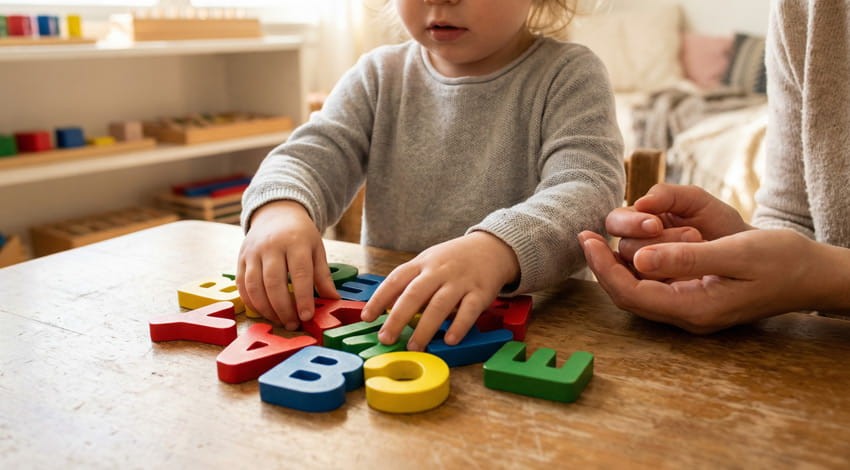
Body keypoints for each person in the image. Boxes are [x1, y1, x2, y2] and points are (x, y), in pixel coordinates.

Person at [237, 0, 625, 351]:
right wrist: (279, 209)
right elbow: (310, 156)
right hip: (387, 332)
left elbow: (588, 189)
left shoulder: (570, 74)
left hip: (536, 336)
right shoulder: (377, 74)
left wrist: (499, 250)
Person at [578, 0, 850, 334]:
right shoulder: (803, 8)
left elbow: (810, 266)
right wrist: (737, 252)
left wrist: (819, 276)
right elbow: (793, 215)